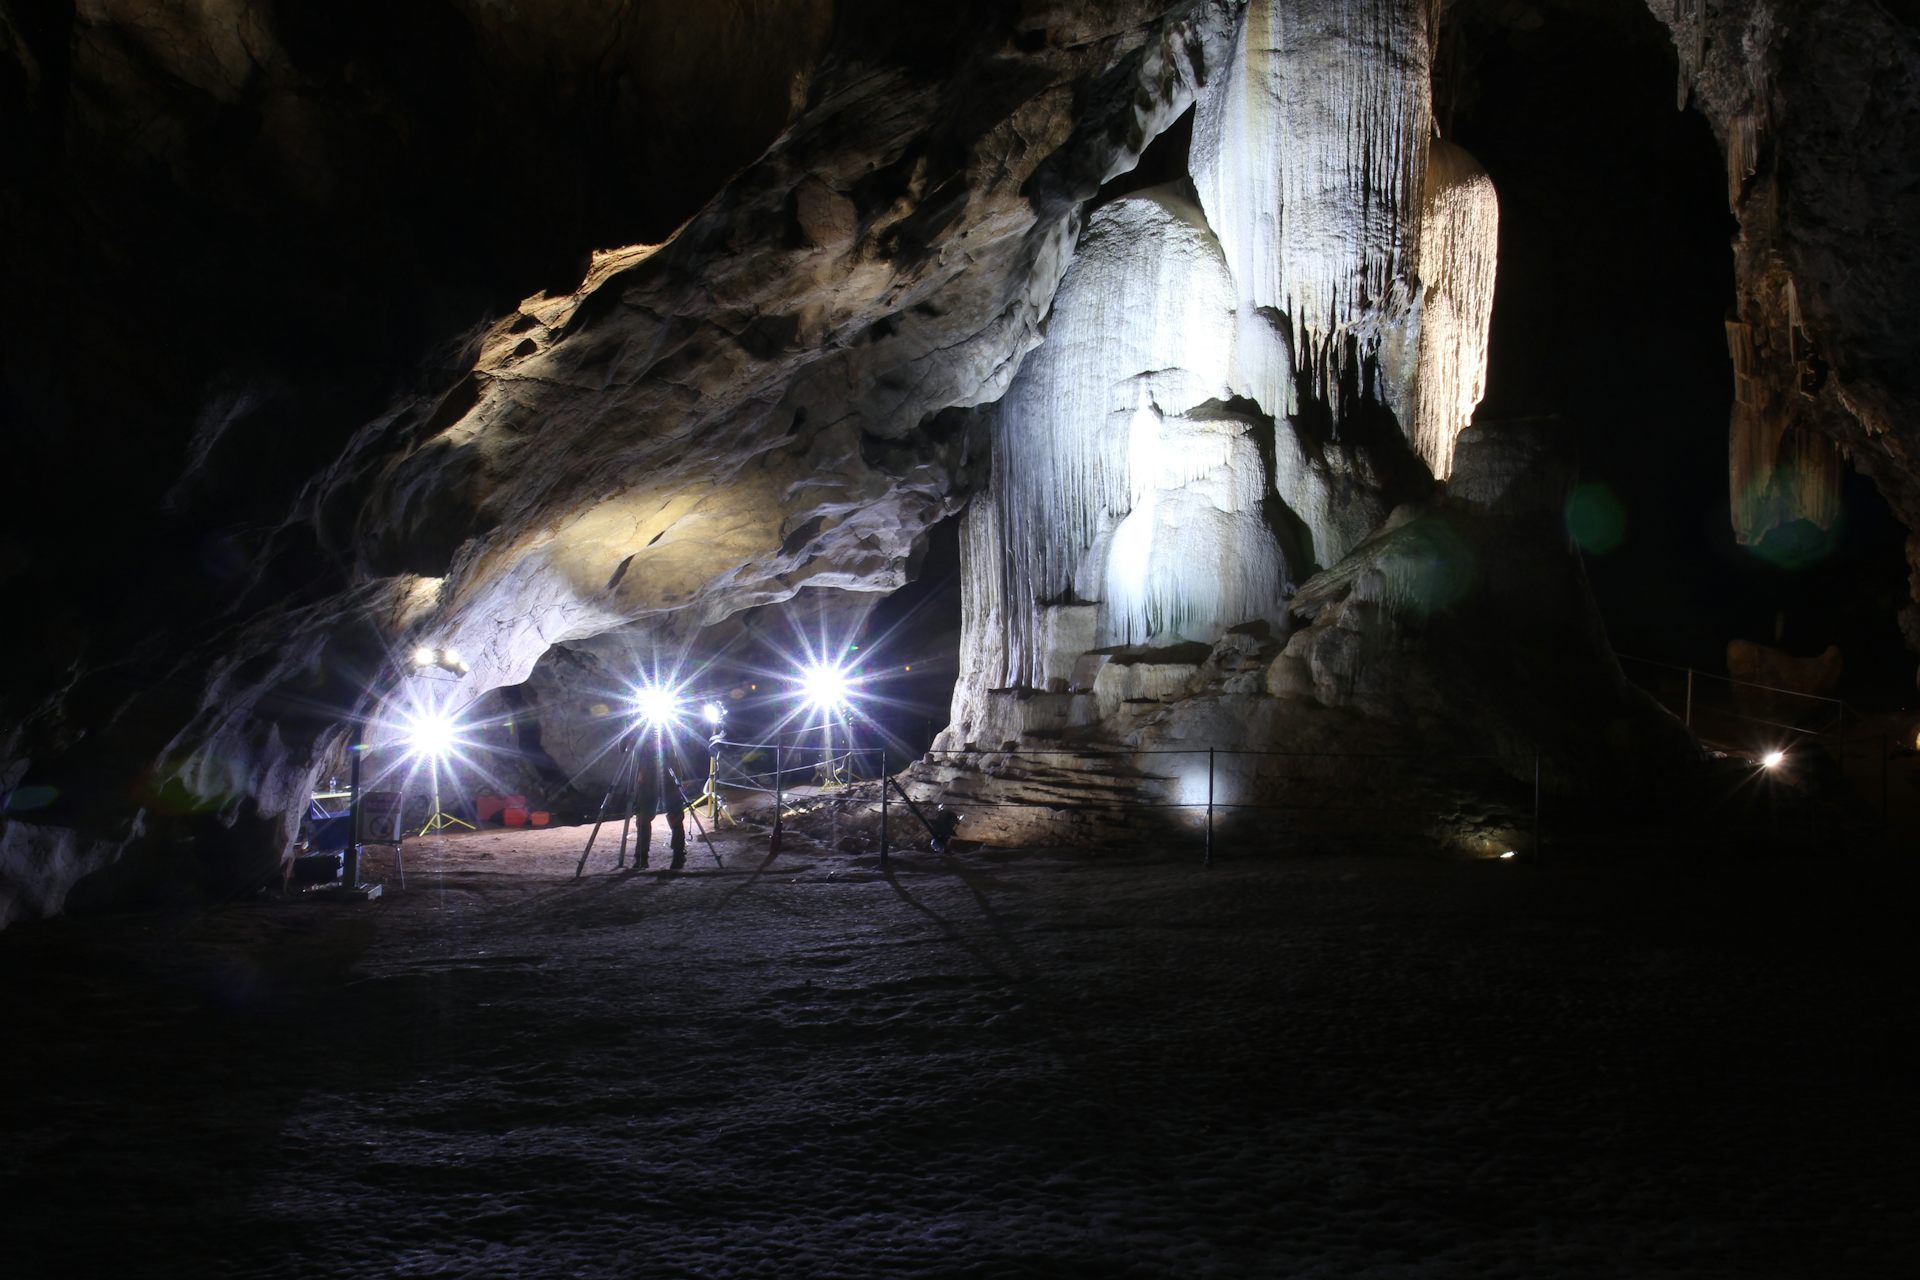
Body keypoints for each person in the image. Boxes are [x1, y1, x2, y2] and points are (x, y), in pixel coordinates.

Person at [628, 726, 689, 870]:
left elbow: (683, 737)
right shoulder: (639, 729)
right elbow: (623, 747)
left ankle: (678, 854)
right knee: (643, 818)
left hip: (669, 775)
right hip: (648, 778)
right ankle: (641, 857)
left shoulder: (669, 728)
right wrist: (633, 732)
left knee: (675, 816)